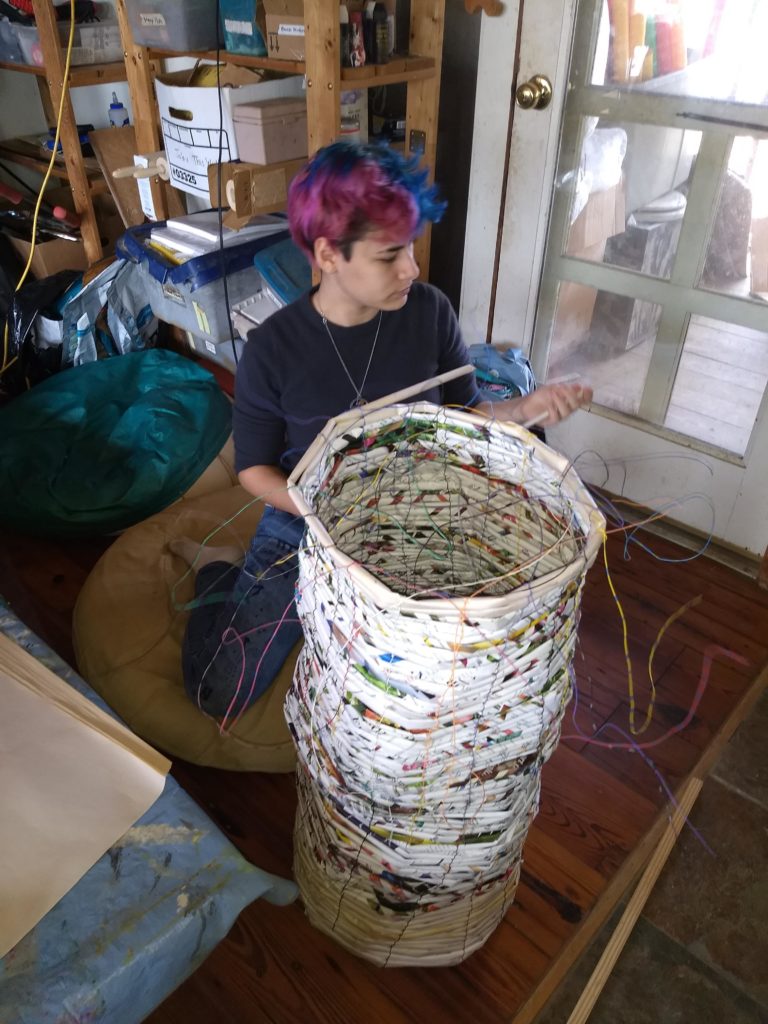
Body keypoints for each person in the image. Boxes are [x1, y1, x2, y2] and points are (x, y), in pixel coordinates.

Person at [177, 141, 591, 722]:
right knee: (216, 691)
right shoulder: (272, 349)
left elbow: (460, 419)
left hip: (419, 505)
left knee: (460, 673)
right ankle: (218, 566)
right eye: (389, 254)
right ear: (327, 254)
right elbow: (253, 470)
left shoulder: (429, 312)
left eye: (412, 247)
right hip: (309, 519)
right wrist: (320, 512)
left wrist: (528, 408)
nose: (412, 268)